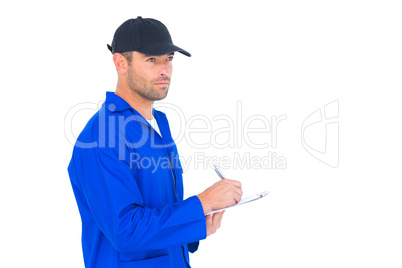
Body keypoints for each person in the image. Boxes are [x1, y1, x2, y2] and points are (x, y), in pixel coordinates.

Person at [67, 17, 243, 268]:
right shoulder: (101, 136)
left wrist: (196, 221)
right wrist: (202, 202)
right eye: (151, 59)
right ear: (120, 63)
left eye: (169, 58)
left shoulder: (159, 123)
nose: (165, 70)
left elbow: (159, 208)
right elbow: (125, 231)